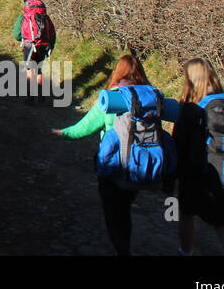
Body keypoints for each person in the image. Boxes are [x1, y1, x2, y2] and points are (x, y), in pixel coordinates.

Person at [54, 53, 179, 255]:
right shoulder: (151, 96)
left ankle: (122, 249)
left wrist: (64, 133)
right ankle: (124, 241)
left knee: (114, 212)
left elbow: (84, 128)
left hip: (114, 164)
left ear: (117, 72)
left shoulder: (112, 98)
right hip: (141, 160)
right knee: (124, 205)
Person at [173, 58, 224, 256]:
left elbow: (179, 143)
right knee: (223, 224)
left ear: (190, 80)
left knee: (187, 215)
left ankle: (185, 252)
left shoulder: (191, 109)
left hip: (195, 173)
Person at [12, 0, 56, 102]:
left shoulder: (23, 16)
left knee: (29, 70)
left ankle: (30, 97)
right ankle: (41, 96)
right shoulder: (45, 16)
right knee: (39, 69)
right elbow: (52, 33)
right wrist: (50, 46)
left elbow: (16, 34)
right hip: (43, 45)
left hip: (29, 45)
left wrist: (23, 40)